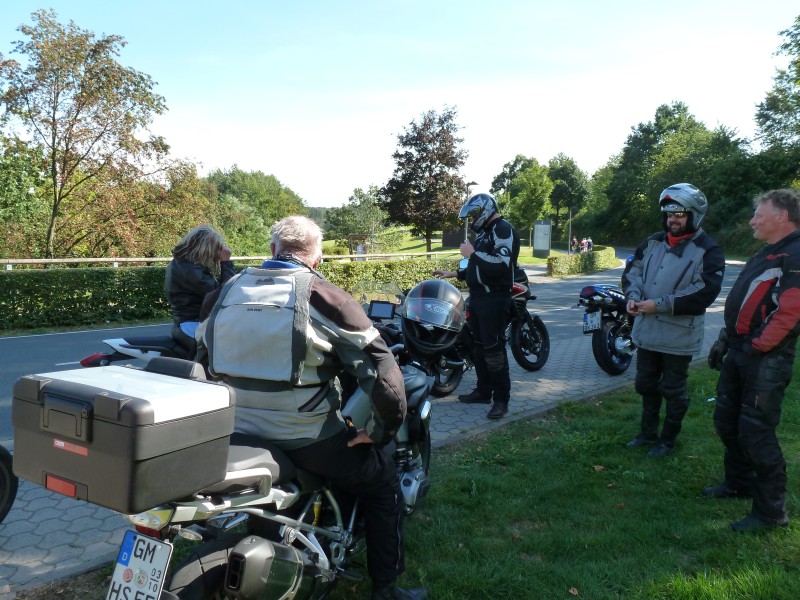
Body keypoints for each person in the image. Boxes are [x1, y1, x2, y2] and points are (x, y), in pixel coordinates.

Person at [197, 216, 426, 600]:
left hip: (238, 436)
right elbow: (386, 380)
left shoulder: (222, 294)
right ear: (316, 260)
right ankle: (386, 588)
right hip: (307, 438)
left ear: (272, 250)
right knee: (383, 482)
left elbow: (200, 362)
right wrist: (379, 432)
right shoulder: (327, 298)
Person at [703, 188, 800, 532]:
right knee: (727, 421)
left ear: (781, 217)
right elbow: (745, 302)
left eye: (759, 214)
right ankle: (738, 483)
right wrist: (725, 339)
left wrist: (757, 346)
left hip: (766, 358)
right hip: (742, 349)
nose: (751, 221)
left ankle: (772, 512)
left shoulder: (795, 254)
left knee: (756, 432)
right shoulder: (767, 252)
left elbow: (790, 313)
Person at [621, 183, 725, 458]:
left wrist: (659, 305)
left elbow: (704, 292)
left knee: (673, 389)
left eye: (679, 214)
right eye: (669, 214)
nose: (672, 220)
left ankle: (667, 441)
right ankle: (647, 434)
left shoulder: (708, 250)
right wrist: (632, 297)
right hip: (647, 332)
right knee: (645, 384)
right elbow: (633, 271)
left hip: (679, 335)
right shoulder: (653, 242)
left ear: (693, 215)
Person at [433, 192, 520, 420]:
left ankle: (501, 400)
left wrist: (472, 254)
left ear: (485, 211)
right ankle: (483, 391)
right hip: (479, 298)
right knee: (478, 349)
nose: (472, 220)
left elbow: (502, 264)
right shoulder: (484, 235)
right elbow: (478, 267)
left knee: (494, 350)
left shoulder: (503, 230)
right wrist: (454, 273)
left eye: (473, 215)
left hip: (495, 298)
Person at [164, 224, 235, 356]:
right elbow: (225, 295)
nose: (216, 252)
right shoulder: (191, 270)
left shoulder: (181, 264)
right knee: (225, 351)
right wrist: (226, 262)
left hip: (185, 324)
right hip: (193, 324)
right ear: (206, 247)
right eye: (216, 247)